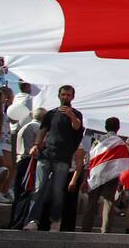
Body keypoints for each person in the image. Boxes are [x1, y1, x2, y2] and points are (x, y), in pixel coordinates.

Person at [25, 85, 84, 232]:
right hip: (46, 155)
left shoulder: (77, 114)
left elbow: (77, 127)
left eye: (69, 95)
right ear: (59, 96)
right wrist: (36, 145)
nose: (66, 97)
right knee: (39, 188)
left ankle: (55, 221)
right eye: (63, 95)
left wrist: (71, 115)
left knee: (57, 191)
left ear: (73, 97)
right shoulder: (50, 113)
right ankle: (33, 220)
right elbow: (43, 130)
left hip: (63, 158)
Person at [81, 117, 129, 233]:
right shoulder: (120, 142)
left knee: (92, 202)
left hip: (96, 173)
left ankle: (86, 229)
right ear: (118, 128)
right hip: (112, 175)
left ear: (105, 127)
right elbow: (124, 161)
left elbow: (89, 159)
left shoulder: (97, 141)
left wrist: (84, 178)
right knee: (109, 202)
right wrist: (122, 180)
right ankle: (105, 229)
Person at [9, 106, 44, 229]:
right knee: (25, 192)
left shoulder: (25, 126)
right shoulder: (37, 128)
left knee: (19, 192)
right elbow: (40, 145)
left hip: (21, 159)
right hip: (29, 161)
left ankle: (14, 220)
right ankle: (18, 221)